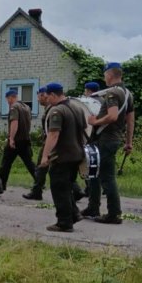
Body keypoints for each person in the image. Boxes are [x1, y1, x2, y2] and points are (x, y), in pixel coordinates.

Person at [83, 62, 135, 224]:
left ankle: (114, 214)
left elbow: (112, 116)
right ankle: (93, 207)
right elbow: (130, 120)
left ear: (110, 74)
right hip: (115, 138)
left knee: (106, 177)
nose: (104, 77)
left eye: (105, 74)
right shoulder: (128, 94)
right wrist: (128, 142)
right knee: (95, 174)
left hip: (105, 139)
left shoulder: (112, 93)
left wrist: (95, 121)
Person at [39, 82, 86, 232]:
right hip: (77, 154)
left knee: (59, 189)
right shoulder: (77, 107)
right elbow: (85, 130)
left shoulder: (57, 111)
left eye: (47, 97)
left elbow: (53, 134)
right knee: (67, 187)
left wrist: (45, 156)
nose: (47, 100)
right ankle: (74, 214)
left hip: (62, 156)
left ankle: (64, 222)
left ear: (53, 95)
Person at [0, 89, 37, 190]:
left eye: (7, 99)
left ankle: (1, 185)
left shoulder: (14, 107)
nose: (8, 102)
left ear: (11, 97)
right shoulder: (26, 107)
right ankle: (39, 182)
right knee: (30, 163)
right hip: (25, 139)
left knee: (5, 163)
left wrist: (11, 139)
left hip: (16, 140)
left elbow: (14, 122)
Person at [22, 87, 50, 200]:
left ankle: (36, 191)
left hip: (50, 143)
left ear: (44, 95)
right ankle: (37, 191)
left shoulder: (52, 108)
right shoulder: (49, 108)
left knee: (42, 167)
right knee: (42, 169)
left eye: (39, 97)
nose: (38, 100)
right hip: (48, 140)